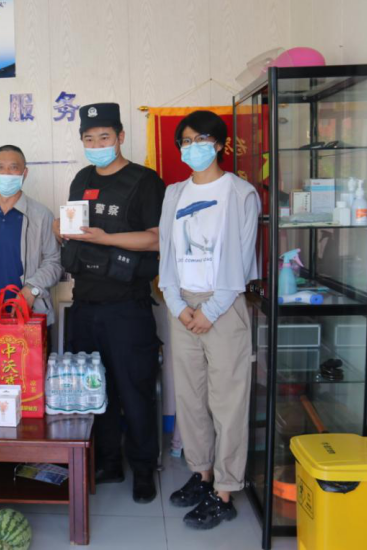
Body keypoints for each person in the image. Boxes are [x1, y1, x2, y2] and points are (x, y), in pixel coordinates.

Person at [55, 103, 166, 504]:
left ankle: (143, 468)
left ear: (120, 137)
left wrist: (104, 238)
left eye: (104, 137)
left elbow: (156, 238)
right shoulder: (82, 178)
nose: (97, 144)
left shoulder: (145, 181)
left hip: (127, 306)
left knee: (134, 389)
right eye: (89, 139)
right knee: (92, 389)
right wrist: (62, 229)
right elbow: (75, 230)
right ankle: (107, 462)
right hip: (84, 304)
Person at [159, 110, 260, 530]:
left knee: (228, 401)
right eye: (185, 141)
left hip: (224, 305)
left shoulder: (240, 193)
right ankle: (201, 475)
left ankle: (225, 490)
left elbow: (242, 257)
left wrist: (211, 310)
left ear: (219, 144)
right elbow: (166, 254)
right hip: (182, 305)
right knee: (190, 397)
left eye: (201, 139)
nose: (192, 147)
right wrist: (175, 302)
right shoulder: (174, 193)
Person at [0, 145, 62, 325]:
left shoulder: (41, 215)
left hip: (29, 317)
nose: (6, 173)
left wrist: (32, 289)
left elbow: (54, 262)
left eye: (13, 167)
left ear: (24, 173)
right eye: (0, 167)